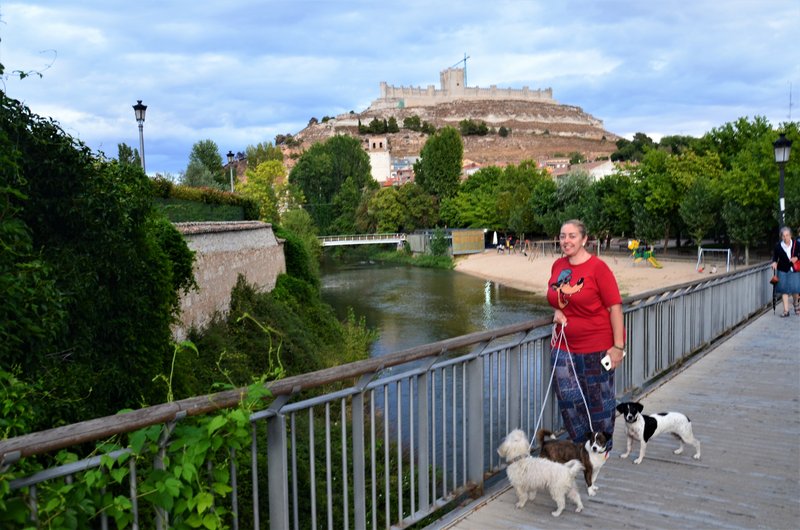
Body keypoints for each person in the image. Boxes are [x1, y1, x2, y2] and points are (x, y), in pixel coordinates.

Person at [546, 220, 625, 449]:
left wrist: (618, 347)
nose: (566, 241)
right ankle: (582, 446)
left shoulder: (598, 268)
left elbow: (615, 308)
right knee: (568, 400)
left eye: (572, 236)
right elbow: (556, 295)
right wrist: (556, 310)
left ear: (584, 239)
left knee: (599, 401)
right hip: (563, 346)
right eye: (562, 236)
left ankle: (602, 448)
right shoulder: (558, 265)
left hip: (596, 347)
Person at [771, 226, 800, 317]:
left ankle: (796, 304)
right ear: (781, 237)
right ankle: (786, 311)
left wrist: (797, 258)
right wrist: (774, 263)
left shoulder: (797, 244)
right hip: (782, 270)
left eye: (787, 235)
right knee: (784, 290)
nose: (786, 237)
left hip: (794, 269)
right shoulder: (778, 246)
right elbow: (775, 257)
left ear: (790, 235)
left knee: (795, 289)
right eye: (783, 236)